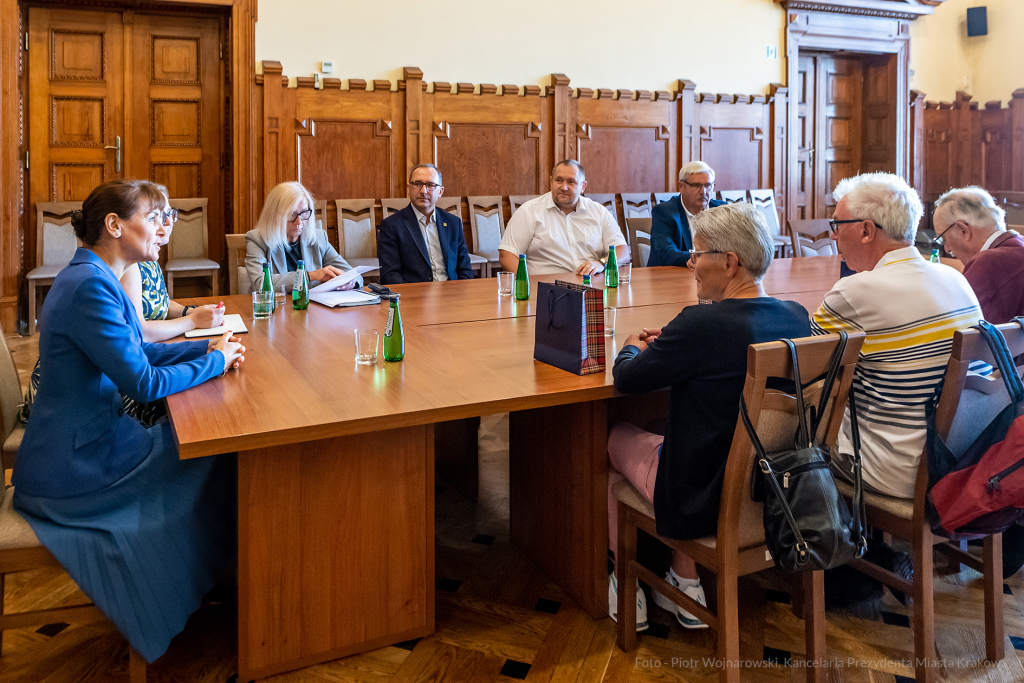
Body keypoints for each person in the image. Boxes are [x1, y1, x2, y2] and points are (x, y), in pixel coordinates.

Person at [12, 179, 246, 664]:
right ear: (114, 224)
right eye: (153, 216)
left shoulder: (93, 276)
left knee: (205, 442)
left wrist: (207, 347)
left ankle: (198, 573)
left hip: (90, 444)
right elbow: (141, 380)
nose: (163, 228)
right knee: (213, 449)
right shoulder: (89, 287)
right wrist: (215, 363)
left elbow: (137, 349)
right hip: (73, 469)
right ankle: (188, 582)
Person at [607, 203, 811, 630]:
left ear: (729, 262)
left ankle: (620, 581)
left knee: (607, 440)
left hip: (702, 499)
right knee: (676, 431)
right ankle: (684, 579)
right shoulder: (796, 317)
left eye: (698, 254)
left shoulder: (700, 324)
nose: (692, 264)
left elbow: (627, 378)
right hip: (773, 491)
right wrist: (675, 344)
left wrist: (631, 343)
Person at [810, 173, 984, 499]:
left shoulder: (855, 291)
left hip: (897, 471)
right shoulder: (956, 278)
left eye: (838, 224)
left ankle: (811, 544)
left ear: (865, 230)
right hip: (967, 460)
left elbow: (805, 371)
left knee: (784, 436)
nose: (834, 236)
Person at [497, 160, 629, 276]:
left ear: (583, 187)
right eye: (558, 180)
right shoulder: (529, 211)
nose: (563, 187)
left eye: (571, 182)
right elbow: (507, 255)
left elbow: (622, 251)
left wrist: (601, 263)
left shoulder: (599, 212)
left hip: (591, 285)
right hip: (546, 288)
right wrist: (527, 284)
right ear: (551, 182)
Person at [119, 202, 225, 343]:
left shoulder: (149, 257)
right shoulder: (130, 265)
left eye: (169, 214)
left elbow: (162, 305)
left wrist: (191, 312)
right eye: (155, 217)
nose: (167, 222)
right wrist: (193, 320)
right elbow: (142, 333)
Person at [245, 181, 361, 292]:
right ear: (274, 215)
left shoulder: (319, 238)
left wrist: (352, 282)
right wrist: (310, 276)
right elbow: (259, 283)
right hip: (273, 307)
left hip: (310, 307)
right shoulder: (257, 239)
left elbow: (353, 274)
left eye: (304, 212)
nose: (299, 222)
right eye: (291, 214)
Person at [932, 186, 1024, 324]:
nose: (947, 249)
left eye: (944, 239)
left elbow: (958, 327)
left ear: (963, 230)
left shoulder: (988, 263)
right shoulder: (1019, 244)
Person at [377, 164, 474, 284]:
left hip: (451, 294)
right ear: (408, 189)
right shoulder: (392, 226)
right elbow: (390, 275)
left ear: (440, 191)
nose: (423, 191)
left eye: (430, 185)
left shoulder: (453, 223)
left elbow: (465, 269)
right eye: (417, 184)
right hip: (414, 296)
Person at [647, 161, 726, 267]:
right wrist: (706, 259)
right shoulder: (665, 212)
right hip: (671, 277)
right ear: (681, 187)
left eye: (708, 185)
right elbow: (666, 253)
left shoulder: (722, 210)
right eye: (696, 185)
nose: (703, 191)